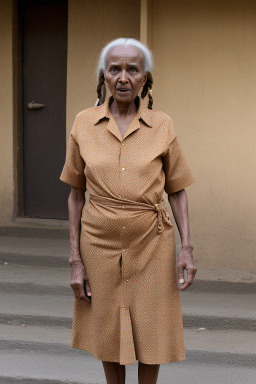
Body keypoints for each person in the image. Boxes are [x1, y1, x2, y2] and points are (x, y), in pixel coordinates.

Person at [60, 37, 197, 384]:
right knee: (106, 327)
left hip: (152, 242)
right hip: (98, 244)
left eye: (132, 69)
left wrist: (187, 249)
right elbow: (76, 195)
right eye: (115, 69)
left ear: (144, 78)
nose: (123, 77)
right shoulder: (83, 124)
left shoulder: (162, 125)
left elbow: (177, 189)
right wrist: (75, 259)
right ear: (103, 77)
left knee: (152, 328)